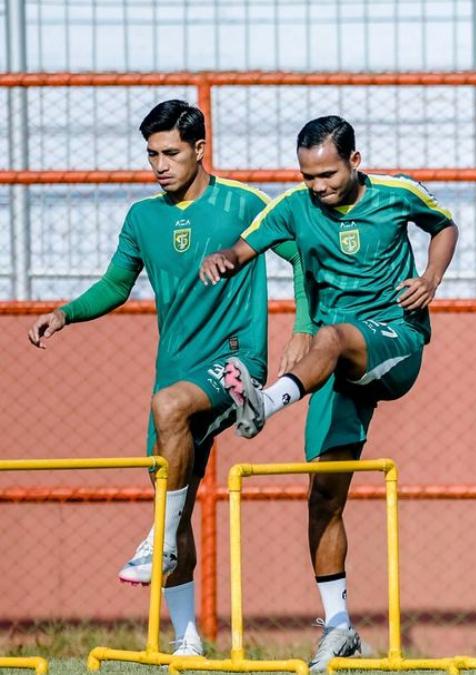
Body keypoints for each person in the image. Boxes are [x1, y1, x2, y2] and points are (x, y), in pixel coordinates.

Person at [26, 100, 312, 658]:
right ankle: (187, 641)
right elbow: (115, 284)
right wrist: (64, 313)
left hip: (234, 361)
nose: (159, 164)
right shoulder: (142, 217)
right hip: (175, 369)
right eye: (152, 154)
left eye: (171, 153)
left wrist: (302, 326)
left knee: (170, 418)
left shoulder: (244, 203)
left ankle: (161, 530)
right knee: (171, 490)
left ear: (200, 149)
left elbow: (301, 256)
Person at [198, 115, 459, 673]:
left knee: (334, 335)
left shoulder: (396, 193)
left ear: (355, 161)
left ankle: (264, 404)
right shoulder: (294, 206)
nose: (318, 185)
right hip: (334, 368)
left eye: (328, 173)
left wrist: (432, 276)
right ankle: (338, 628)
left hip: (396, 340)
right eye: (308, 175)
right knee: (323, 499)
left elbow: (444, 225)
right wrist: (222, 259)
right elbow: (244, 248)